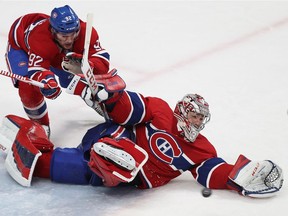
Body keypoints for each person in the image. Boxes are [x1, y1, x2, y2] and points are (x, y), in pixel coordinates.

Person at [0, 72, 283, 198]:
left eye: (201, 118)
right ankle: (112, 152)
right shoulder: (160, 111)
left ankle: (31, 148)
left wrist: (241, 178)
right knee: (127, 154)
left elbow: (213, 172)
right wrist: (110, 97)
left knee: (81, 171)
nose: (198, 122)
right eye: (195, 115)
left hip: (130, 177)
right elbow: (128, 111)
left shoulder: (201, 148)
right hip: (113, 138)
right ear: (183, 110)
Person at [5, 5, 110, 137]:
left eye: (74, 34)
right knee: (28, 86)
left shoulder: (85, 32)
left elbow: (103, 61)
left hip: (53, 50)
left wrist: (89, 65)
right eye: (65, 35)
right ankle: (40, 126)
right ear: (53, 31)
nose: (70, 40)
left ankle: (91, 96)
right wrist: (46, 81)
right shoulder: (40, 39)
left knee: (78, 70)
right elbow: (36, 72)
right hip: (21, 47)